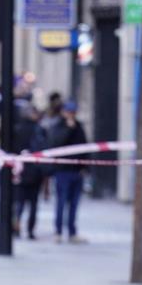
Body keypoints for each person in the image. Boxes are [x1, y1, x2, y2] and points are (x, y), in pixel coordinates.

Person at [48, 101, 88, 243]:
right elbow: (55, 143)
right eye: (69, 112)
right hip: (63, 171)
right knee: (61, 201)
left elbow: (85, 146)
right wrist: (68, 129)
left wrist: (85, 167)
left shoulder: (79, 126)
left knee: (74, 203)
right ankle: (58, 231)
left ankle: (72, 232)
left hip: (77, 171)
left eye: (73, 112)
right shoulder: (57, 126)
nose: (71, 115)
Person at [11, 103, 47, 239]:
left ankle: (17, 226)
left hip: (20, 171)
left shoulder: (17, 129)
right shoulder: (39, 130)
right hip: (35, 171)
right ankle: (30, 230)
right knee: (33, 203)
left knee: (19, 202)